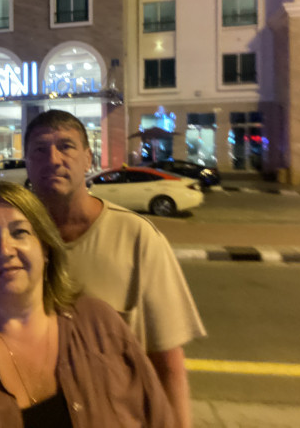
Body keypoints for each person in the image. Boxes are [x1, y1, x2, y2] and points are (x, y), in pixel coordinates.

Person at [0, 181, 174, 427]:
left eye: (19, 232)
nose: (5, 250)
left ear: (45, 248)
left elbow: (158, 416)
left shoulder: (99, 323)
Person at [24, 110, 206, 428]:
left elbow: (168, 365)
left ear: (88, 159)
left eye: (66, 146)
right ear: (27, 162)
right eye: (40, 149)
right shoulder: (11, 241)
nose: (53, 159)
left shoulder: (137, 238)